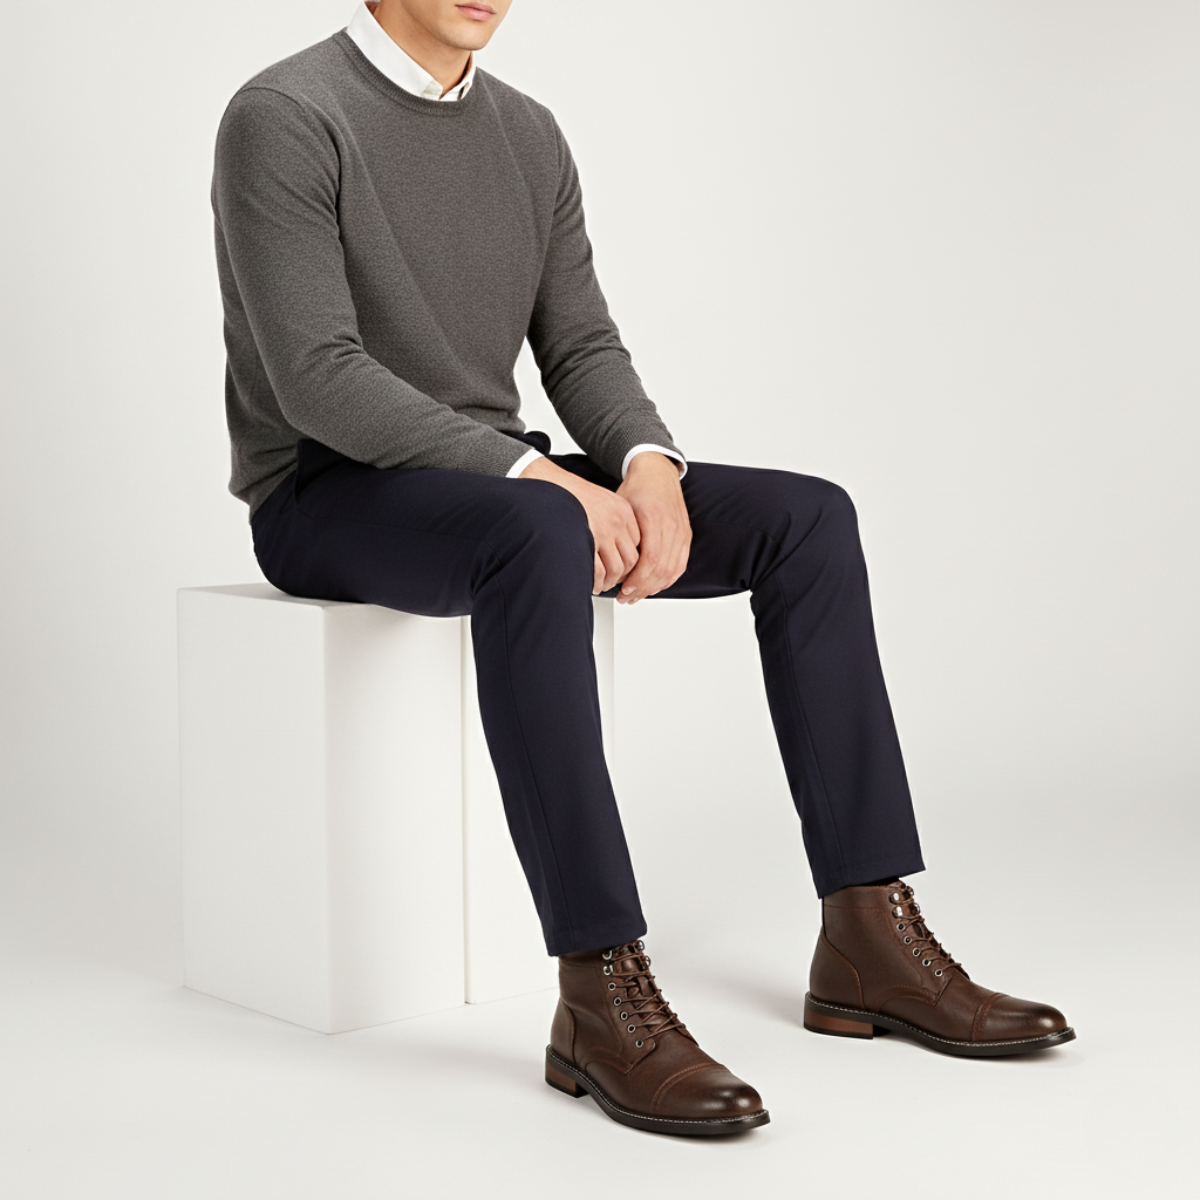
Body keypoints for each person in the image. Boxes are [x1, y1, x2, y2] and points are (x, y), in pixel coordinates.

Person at [211, 0, 1076, 1138]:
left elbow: (578, 342)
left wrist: (646, 463)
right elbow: (319, 376)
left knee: (809, 519)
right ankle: (600, 992)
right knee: (539, 531)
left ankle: (869, 932)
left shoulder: (527, 132)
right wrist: (540, 479)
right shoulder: (286, 114)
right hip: (326, 492)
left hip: (492, 480)